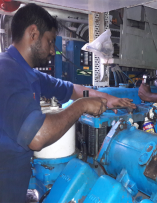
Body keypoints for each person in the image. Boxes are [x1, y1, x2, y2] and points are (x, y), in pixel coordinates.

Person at [0, 3, 135, 202]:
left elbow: (70, 89)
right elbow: (37, 137)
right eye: (50, 41)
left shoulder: (27, 73)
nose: (53, 50)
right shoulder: (8, 73)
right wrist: (81, 107)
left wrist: (109, 99)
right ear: (33, 33)